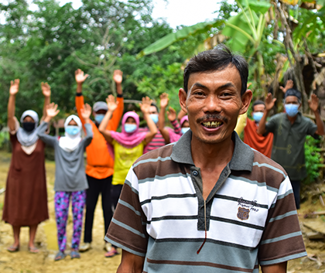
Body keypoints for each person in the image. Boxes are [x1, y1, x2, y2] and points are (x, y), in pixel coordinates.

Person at [105, 45, 307, 273]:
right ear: (183, 100)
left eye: (225, 94)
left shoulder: (273, 181)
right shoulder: (145, 173)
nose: (211, 106)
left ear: (244, 101)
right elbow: (130, 265)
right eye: (200, 94)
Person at [98, 95, 158, 257]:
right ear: (123, 123)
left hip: (138, 183)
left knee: (139, 216)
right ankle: (113, 246)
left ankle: (137, 247)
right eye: (128, 121)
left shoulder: (140, 139)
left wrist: (145, 113)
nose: (130, 124)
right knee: (116, 214)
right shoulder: (116, 139)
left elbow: (154, 131)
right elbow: (102, 130)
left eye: (133, 121)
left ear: (137, 124)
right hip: (118, 181)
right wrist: (110, 111)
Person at [74, 69, 125, 255]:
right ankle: (86, 241)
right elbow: (80, 107)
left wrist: (118, 85)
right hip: (90, 173)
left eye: (104, 112)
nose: (101, 114)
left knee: (107, 209)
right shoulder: (87, 125)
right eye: (99, 112)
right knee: (89, 208)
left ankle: (108, 241)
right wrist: (79, 85)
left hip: (109, 173)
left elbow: (119, 108)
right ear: (93, 112)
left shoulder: (110, 126)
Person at [37, 102, 93, 261]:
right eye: (70, 125)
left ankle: (74, 248)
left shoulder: (81, 143)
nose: (73, 127)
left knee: (77, 218)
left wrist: (87, 120)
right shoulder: (57, 141)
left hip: (79, 187)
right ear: (65, 127)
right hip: (61, 187)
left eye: (76, 125)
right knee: (61, 218)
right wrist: (47, 117)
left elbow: (90, 136)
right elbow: (40, 135)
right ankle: (61, 249)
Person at [257, 84, 325, 209]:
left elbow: (320, 132)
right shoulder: (277, 120)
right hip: (276, 171)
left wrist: (316, 112)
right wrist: (266, 110)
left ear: (299, 105)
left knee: (293, 206)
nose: (291, 105)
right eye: (288, 102)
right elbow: (260, 131)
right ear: (284, 104)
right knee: (274, 205)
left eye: (294, 102)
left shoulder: (305, 123)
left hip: (295, 172)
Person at [2, 80, 50, 254]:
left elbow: (47, 117)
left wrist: (47, 98)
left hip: (35, 180)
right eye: (26, 120)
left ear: (36, 122)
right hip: (17, 180)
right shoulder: (16, 136)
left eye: (32, 120)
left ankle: (31, 243)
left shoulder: (40, 136)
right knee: (16, 208)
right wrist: (12, 95)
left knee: (34, 208)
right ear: (22, 122)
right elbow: (10, 117)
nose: (28, 122)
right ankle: (16, 242)